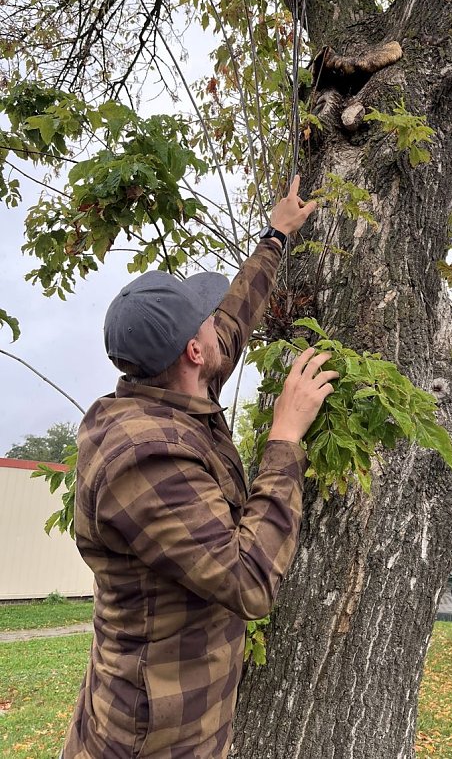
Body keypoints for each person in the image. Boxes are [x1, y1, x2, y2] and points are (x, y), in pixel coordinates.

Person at [62, 176, 339, 759]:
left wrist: (276, 235)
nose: (219, 325)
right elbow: (247, 581)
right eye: (204, 322)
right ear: (193, 352)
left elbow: (232, 323)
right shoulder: (143, 459)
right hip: (151, 736)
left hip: (189, 716)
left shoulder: (171, 385)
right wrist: (285, 439)